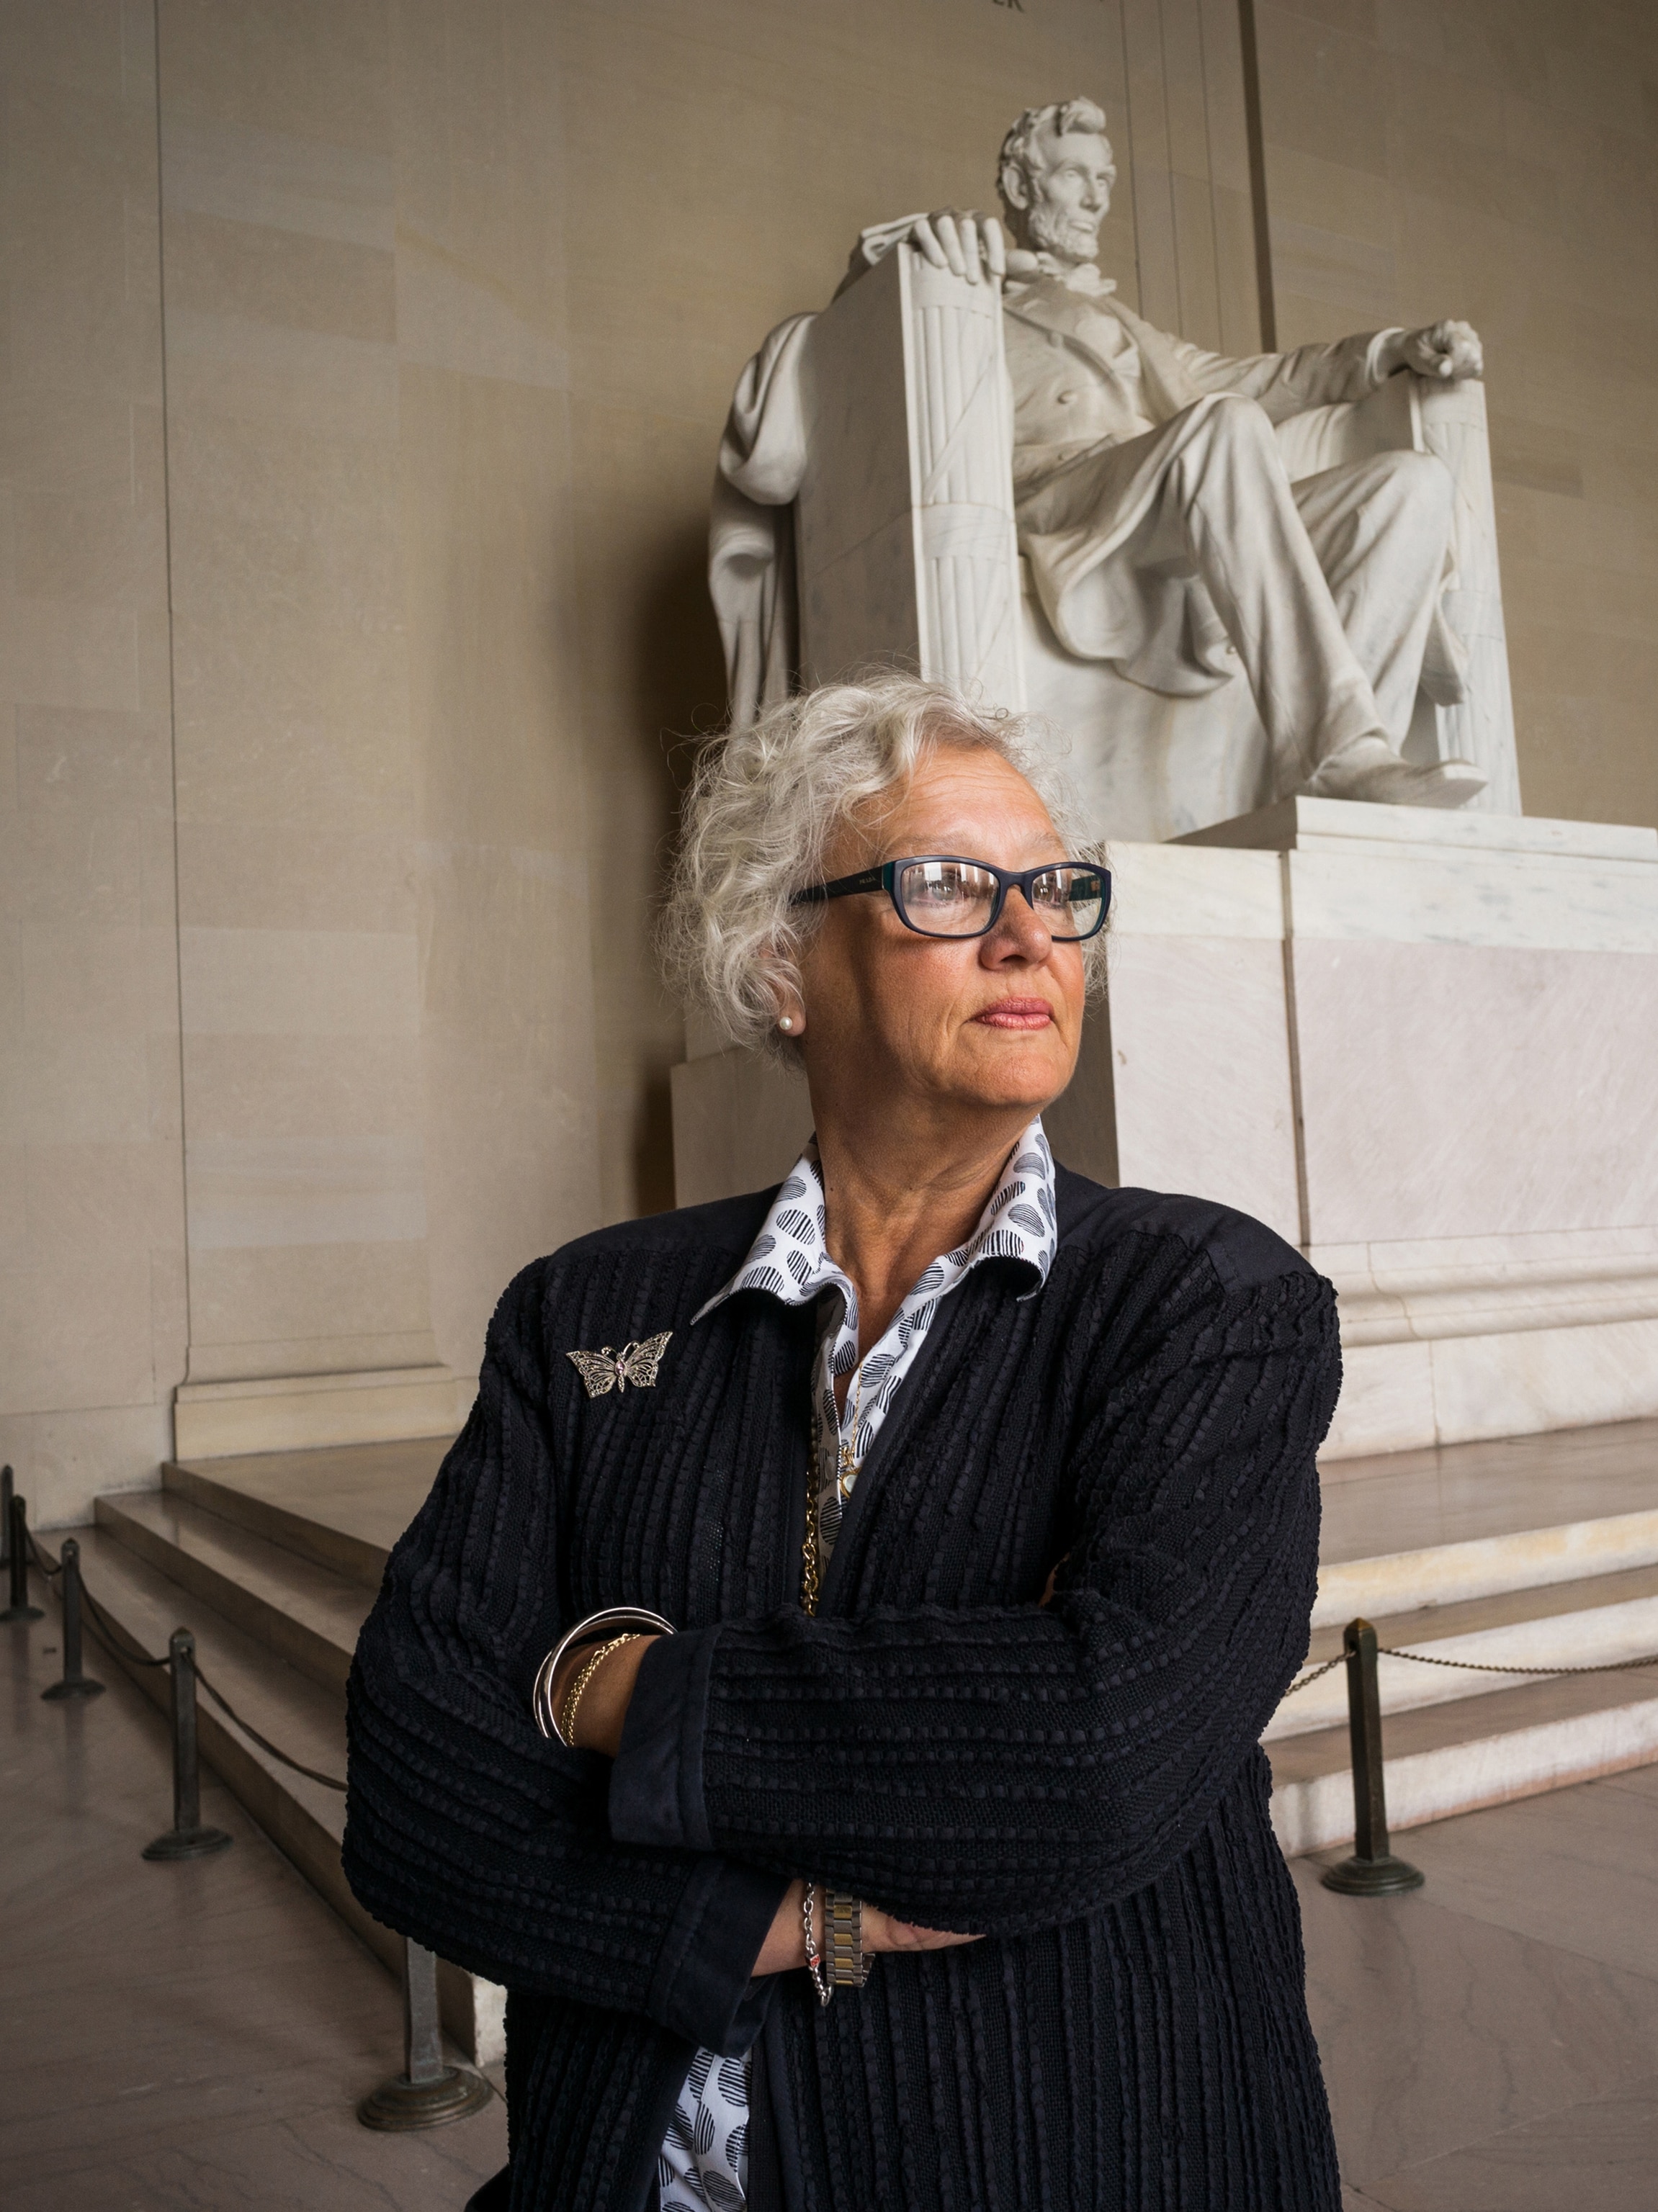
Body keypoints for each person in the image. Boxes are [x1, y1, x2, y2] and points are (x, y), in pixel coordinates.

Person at [344, 671, 1345, 2211]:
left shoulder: (1208, 1302)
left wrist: (604, 1683)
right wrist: (752, 1924)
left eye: (1054, 891)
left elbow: (1092, 1750)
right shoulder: (585, 1309)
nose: (1028, 936)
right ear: (779, 965)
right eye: (948, 886)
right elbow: (416, 1795)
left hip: (1074, 2149)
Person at [714, 96, 1487, 811]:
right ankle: (1339, 751)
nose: (1096, 198)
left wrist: (1389, 353)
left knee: (1410, 486)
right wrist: (921, 239)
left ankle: (1347, 785)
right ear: (1020, 185)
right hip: (1057, 498)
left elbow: (1264, 379)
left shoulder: (1129, 327)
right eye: (1075, 175)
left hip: (1163, 493)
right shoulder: (967, 278)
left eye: (1106, 179)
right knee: (1224, 427)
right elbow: (857, 325)